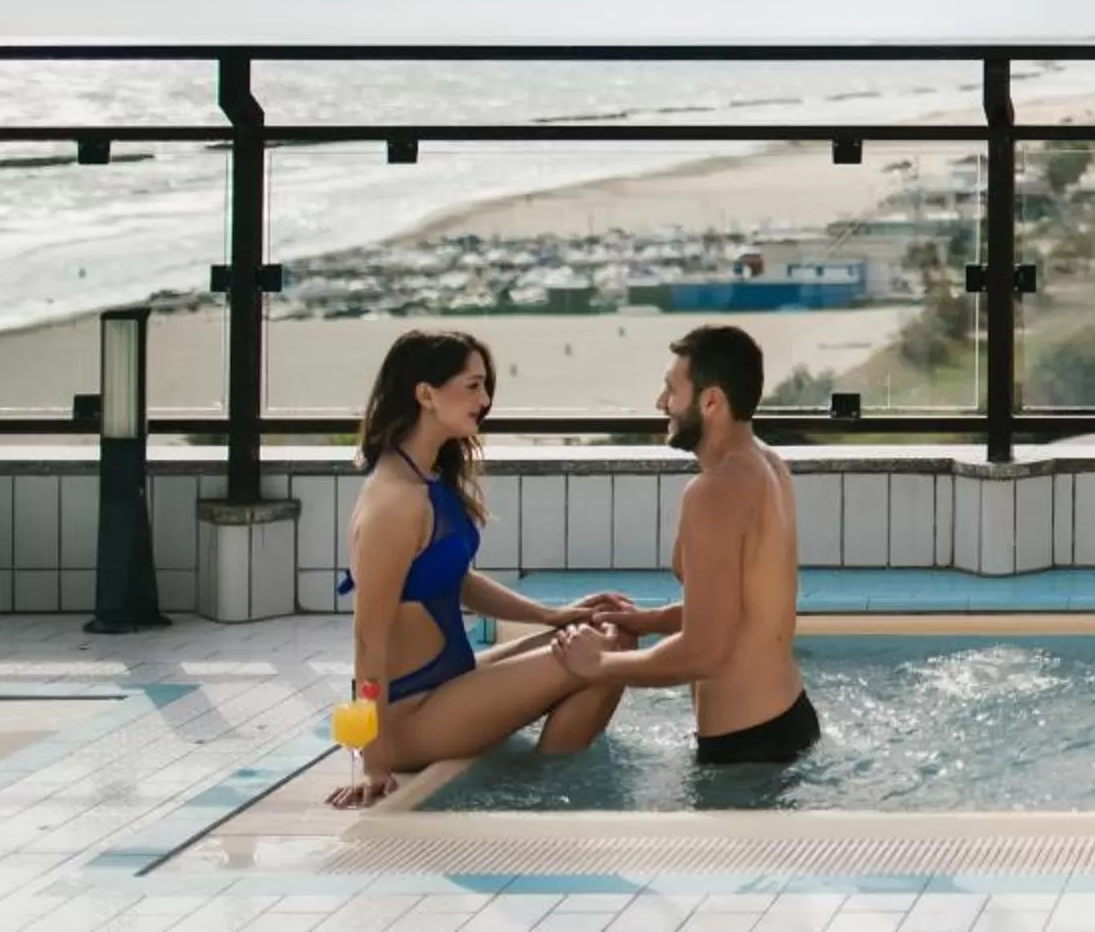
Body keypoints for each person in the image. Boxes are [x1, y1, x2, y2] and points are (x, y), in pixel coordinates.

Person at [331, 329, 641, 808]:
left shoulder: (425, 478)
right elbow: (367, 637)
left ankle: (553, 770)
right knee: (601, 651)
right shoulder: (395, 501)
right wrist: (374, 758)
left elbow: (458, 580)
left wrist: (552, 616)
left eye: (485, 386)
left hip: (451, 684)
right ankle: (549, 790)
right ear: (426, 394)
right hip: (411, 716)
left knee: (604, 627)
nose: (485, 399)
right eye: (472, 386)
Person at [555, 325, 816, 765]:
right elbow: (748, 609)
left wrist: (598, 665)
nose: (661, 404)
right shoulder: (767, 465)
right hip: (785, 721)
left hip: (746, 750)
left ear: (710, 401)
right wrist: (650, 620)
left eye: (670, 390)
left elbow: (703, 652)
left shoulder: (716, 490)